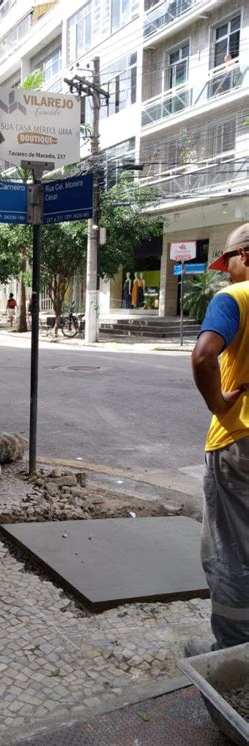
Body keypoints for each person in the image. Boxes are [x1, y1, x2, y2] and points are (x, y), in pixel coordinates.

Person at [188, 223, 249, 655]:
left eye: (227, 262)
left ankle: (235, 649)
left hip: (238, 439)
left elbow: (204, 356)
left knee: (230, 550)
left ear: (245, 255)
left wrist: (218, 404)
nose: (226, 273)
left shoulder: (235, 299)